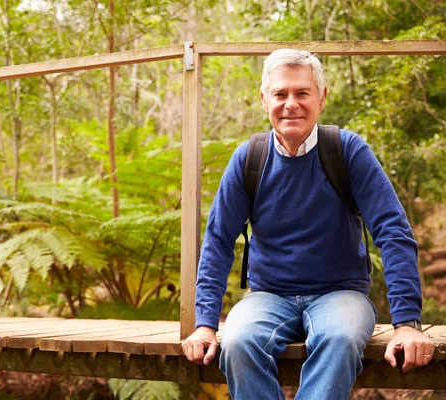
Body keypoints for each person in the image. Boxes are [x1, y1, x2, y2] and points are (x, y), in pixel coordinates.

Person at [181, 49, 436, 400]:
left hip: (341, 295)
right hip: (268, 295)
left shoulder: (347, 151)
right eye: (280, 94)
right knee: (238, 342)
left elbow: (393, 232)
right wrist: (205, 324)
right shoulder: (249, 158)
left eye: (302, 93)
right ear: (263, 99)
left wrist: (407, 324)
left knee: (340, 339)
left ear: (322, 97)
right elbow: (218, 240)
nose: (291, 104)